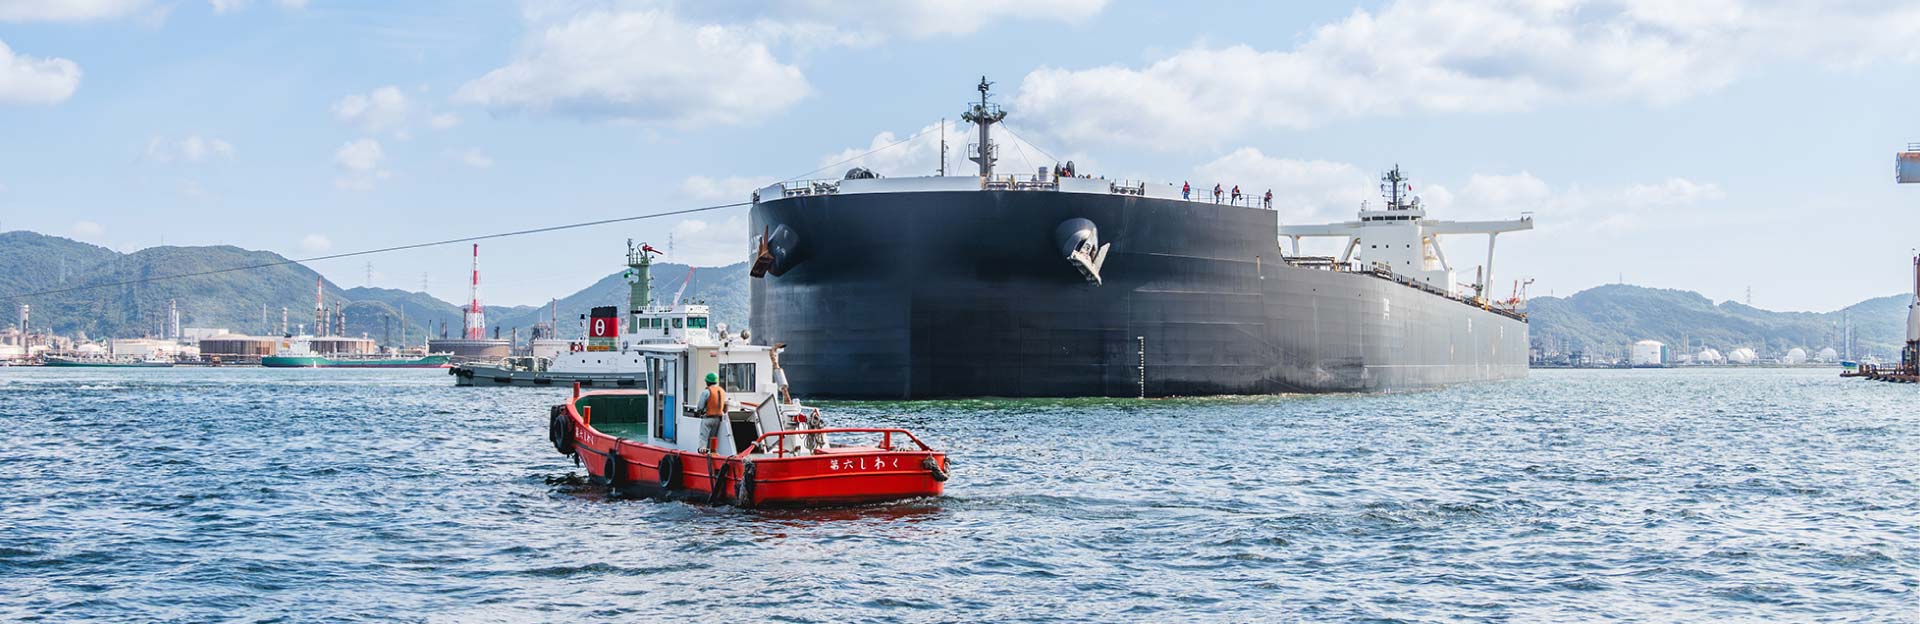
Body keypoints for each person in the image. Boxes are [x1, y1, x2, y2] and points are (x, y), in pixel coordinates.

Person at [697, 372, 727, 453]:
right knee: (713, 438)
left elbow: (700, 406)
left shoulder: (706, 392)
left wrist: (698, 411)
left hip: (707, 418)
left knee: (703, 437)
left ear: (707, 382)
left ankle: (702, 452)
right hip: (717, 419)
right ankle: (712, 452)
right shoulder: (722, 391)